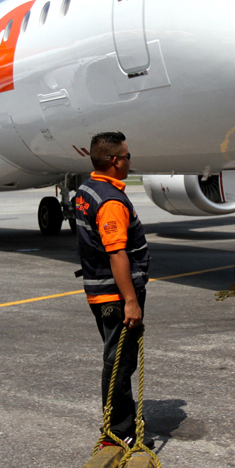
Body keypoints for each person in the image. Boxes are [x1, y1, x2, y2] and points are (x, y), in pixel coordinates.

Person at [74, 131, 150, 446]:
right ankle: (118, 431)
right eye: (128, 157)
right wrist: (130, 301)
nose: (131, 161)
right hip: (115, 296)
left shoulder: (87, 189)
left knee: (116, 357)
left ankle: (122, 419)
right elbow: (116, 252)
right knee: (119, 361)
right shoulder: (110, 201)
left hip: (99, 290)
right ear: (115, 161)